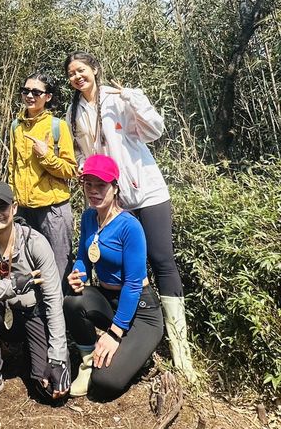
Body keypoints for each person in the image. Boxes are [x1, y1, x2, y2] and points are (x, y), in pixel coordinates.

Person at [65, 50, 196, 381]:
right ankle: (128, 325)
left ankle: (181, 350)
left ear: (95, 69)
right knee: (123, 263)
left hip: (145, 191)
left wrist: (133, 97)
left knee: (161, 258)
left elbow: (155, 130)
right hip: (112, 197)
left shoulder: (116, 98)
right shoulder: (75, 110)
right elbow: (86, 152)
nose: (77, 77)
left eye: (82, 70)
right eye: (71, 73)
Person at [0, 180, 70, 412]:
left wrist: (58, 357)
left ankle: (35, 357)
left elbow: (53, 301)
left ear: (14, 208)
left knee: (51, 392)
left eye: (1, 207)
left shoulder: (36, 243)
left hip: (31, 313)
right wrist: (12, 285)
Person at [64, 154, 164, 398]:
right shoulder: (89, 217)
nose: (94, 191)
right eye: (89, 184)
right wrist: (79, 274)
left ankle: (133, 346)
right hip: (108, 299)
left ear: (115, 187)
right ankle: (87, 362)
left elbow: (132, 283)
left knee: (106, 382)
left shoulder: (130, 226)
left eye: (101, 185)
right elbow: (84, 257)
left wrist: (113, 332)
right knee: (73, 300)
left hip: (141, 309)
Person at [9, 71, 78, 287]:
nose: (30, 96)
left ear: (47, 97)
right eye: (26, 91)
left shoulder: (58, 126)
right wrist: (12, 199)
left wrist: (46, 156)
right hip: (23, 210)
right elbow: (13, 166)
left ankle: (60, 317)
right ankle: (33, 318)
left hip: (53, 209)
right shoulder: (16, 127)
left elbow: (70, 169)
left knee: (58, 269)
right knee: (27, 266)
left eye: (36, 92)